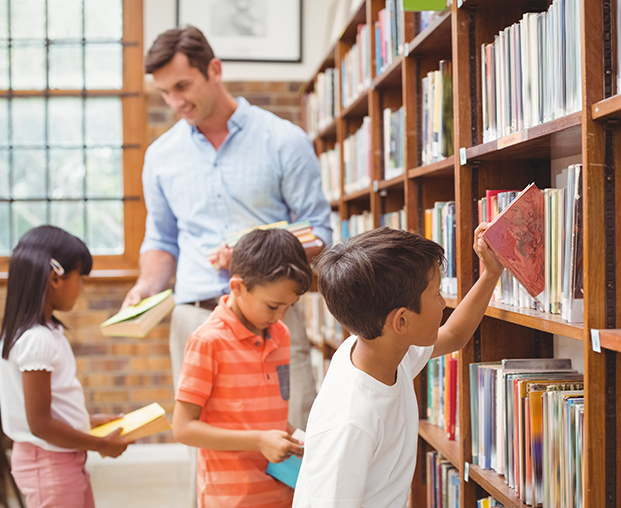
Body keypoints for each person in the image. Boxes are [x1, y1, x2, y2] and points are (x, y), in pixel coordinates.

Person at [121, 26, 330, 433]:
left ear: (214, 70)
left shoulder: (284, 140)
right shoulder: (161, 156)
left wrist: (255, 258)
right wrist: (147, 286)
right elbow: (161, 239)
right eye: (165, 92)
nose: (175, 102)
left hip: (274, 317)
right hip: (194, 319)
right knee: (208, 446)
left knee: (293, 433)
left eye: (183, 85)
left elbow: (319, 232)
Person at [292, 225, 505, 507]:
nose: (443, 304)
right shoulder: (351, 420)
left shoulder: (380, 349)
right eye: (437, 294)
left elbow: (454, 335)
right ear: (401, 321)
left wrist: (492, 273)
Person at [171, 228, 313, 508]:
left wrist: (298, 441)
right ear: (237, 287)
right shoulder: (207, 341)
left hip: (281, 491)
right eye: (273, 305)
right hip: (230, 498)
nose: (280, 317)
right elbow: (183, 428)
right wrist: (259, 441)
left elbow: (263, 413)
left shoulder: (280, 333)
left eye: (289, 306)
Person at [0, 225, 131, 508]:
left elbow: (47, 407)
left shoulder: (44, 332)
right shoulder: (36, 340)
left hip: (62, 459)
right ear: (55, 278)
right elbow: (40, 424)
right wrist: (101, 445)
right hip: (48, 464)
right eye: (80, 278)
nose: (82, 288)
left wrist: (86, 420)